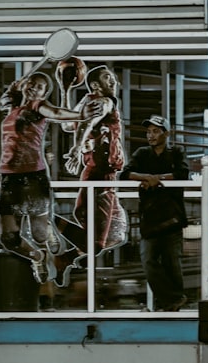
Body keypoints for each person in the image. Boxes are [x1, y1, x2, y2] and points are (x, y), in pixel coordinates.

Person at [0, 72, 102, 287]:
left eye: (40, 87)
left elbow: (55, 112)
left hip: (33, 176)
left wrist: (79, 115)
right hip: (8, 176)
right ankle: (37, 257)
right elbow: (3, 101)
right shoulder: (12, 107)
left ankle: (49, 233)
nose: (34, 89)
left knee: (39, 234)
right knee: (8, 239)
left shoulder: (38, 106)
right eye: (31, 84)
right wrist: (12, 88)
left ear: (44, 93)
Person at [55, 63, 128, 275]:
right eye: (108, 78)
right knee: (96, 243)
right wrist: (77, 147)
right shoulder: (105, 102)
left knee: (117, 235)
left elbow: (68, 124)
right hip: (101, 175)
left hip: (102, 174)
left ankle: (64, 258)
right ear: (96, 85)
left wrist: (65, 91)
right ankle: (49, 221)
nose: (114, 81)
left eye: (113, 77)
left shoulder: (87, 101)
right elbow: (87, 123)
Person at [122, 115, 191, 312]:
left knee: (172, 261)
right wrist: (147, 178)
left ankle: (171, 302)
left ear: (166, 134)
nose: (150, 135)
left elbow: (182, 173)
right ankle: (171, 300)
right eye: (148, 131)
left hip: (173, 215)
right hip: (150, 217)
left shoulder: (176, 151)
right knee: (149, 260)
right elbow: (125, 173)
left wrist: (157, 179)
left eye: (155, 131)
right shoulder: (142, 153)